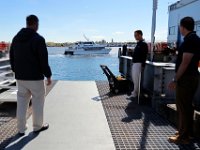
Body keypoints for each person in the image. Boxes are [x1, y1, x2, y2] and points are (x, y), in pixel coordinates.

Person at [9, 15, 52, 136]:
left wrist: (15, 70)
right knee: (38, 101)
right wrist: (48, 75)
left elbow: (11, 57)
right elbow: (43, 60)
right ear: (35, 24)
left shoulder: (16, 38)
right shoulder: (38, 39)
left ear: (27, 23)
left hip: (20, 77)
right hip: (35, 78)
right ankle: (38, 126)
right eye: (37, 24)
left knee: (22, 102)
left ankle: (21, 129)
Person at [168, 17, 200, 144]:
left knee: (183, 106)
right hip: (192, 76)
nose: (180, 30)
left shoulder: (189, 41)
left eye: (180, 27)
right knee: (188, 106)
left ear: (182, 27)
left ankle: (183, 137)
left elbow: (185, 62)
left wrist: (175, 79)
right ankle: (186, 132)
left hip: (186, 78)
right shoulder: (195, 39)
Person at [129, 30, 148, 99]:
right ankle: (135, 92)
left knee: (137, 79)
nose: (135, 37)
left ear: (140, 35)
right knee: (134, 78)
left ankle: (135, 93)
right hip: (135, 63)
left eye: (136, 35)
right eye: (134, 35)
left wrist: (143, 65)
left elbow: (144, 56)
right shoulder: (138, 44)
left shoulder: (143, 44)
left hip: (139, 64)